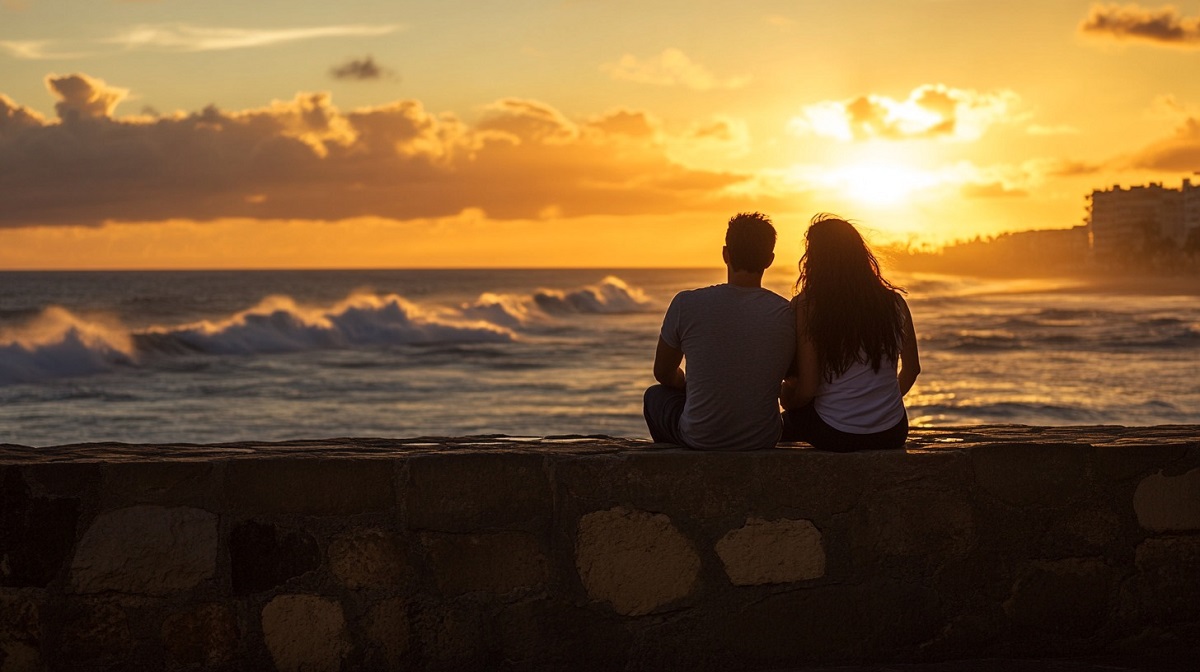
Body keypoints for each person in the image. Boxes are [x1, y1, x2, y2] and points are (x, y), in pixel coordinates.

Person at [643, 212, 795, 451]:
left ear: (726, 254)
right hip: (762, 438)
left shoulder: (686, 303)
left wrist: (686, 384)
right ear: (769, 259)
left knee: (655, 396)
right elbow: (793, 378)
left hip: (701, 439)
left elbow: (663, 373)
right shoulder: (787, 313)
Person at [779, 214, 920, 451]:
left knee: (782, 424)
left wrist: (788, 401)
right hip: (893, 431)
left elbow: (808, 388)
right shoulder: (894, 303)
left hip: (835, 433)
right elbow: (912, 369)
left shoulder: (807, 306)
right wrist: (879, 406)